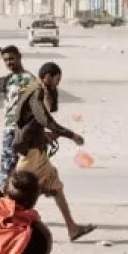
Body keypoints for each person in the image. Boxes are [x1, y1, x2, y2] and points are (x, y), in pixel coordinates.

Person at [12, 63, 94, 242]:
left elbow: (36, 121)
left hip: (38, 150)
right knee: (15, 192)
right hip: (31, 151)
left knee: (56, 186)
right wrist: (71, 135)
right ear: (48, 76)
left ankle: (72, 229)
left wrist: (45, 135)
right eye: (57, 79)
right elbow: (44, 118)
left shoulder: (41, 90)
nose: (58, 83)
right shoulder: (36, 92)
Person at [0, 45, 37, 185]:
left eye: (12, 59)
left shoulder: (29, 79)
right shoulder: (8, 79)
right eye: (6, 60)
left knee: (22, 169)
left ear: (19, 57)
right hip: (9, 128)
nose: (9, 63)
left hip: (24, 129)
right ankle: (7, 199)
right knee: (7, 169)